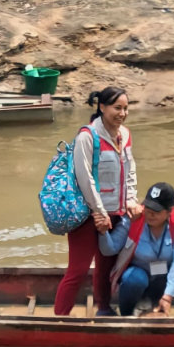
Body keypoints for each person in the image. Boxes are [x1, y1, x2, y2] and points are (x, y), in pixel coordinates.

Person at [52, 86, 142, 316]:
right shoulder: (87, 136)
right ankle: (60, 318)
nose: (122, 113)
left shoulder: (126, 135)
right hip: (87, 215)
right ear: (102, 107)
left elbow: (130, 170)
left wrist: (131, 198)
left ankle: (104, 308)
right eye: (116, 108)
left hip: (116, 213)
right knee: (78, 270)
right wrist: (99, 213)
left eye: (125, 108)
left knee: (106, 267)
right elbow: (85, 178)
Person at [99, 181, 174, 317]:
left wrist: (168, 296)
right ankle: (126, 316)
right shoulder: (134, 217)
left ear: (169, 212)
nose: (150, 214)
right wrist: (103, 232)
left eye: (156, 211)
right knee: (134, 280)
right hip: (141, 274)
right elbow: (109, 249)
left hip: (167, 276)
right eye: (148, 208)